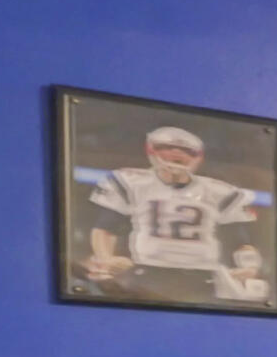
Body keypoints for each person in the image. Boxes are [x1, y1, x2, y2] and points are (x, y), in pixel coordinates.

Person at [84, 125, 262, 304]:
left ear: (198, 157)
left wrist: (249, 265)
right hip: (148, 271)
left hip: (203, 275)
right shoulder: (133, 182)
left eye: (186, 150)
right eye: (166, 147)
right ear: (152, 150)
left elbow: (241, 240)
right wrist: (106, 258)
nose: (176, 152)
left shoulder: (218, 191)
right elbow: (106, 227)